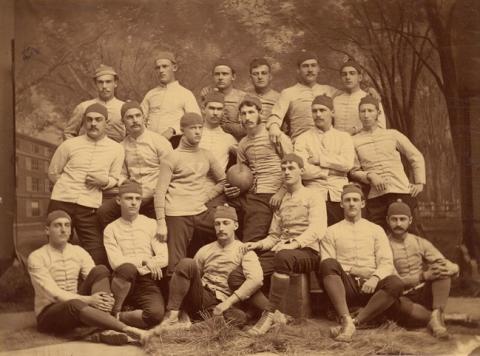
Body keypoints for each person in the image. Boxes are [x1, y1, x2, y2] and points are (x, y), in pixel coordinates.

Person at [229, 153, 327, 335]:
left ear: (302, 171)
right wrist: (257, 245)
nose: (286, 172)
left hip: (307, 252)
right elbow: (274, 236)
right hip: (282, 251)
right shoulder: (282, 201)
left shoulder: (313, 196)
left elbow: (318, 229)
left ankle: (267, 316)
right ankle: (277, 315)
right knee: (237, 276)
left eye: (291, 168)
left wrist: (294, 244)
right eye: (283, 169)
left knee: (283, 256)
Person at [27, 210, 145, 345]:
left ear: (71, 230)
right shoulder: (37, 257)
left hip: (78, 305)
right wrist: (89, 300)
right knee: (74, 304)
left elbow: (96, 277)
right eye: (57, 225)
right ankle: (127, 329)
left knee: (100, 270)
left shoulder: (78, 251)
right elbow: (55, 294)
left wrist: (103, 299)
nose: (63, 229)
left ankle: (102, 327)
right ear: (47, 230)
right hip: (49, 314)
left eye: (67, 225)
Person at [151, 204, 263, 331]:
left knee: (239, 318)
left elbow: (256, 279)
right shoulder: (205, 250)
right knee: (187, 263)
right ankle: (173, 316)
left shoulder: (244, 250)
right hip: (202, 296)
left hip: (224, 302)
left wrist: (228, 302)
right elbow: (190, 275)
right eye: (217, 224)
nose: (221, 228)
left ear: (235, 226)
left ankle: (188, 328)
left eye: (226, 223)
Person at [320, 183, 404, 342]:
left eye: (355, 200)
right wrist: (354, 270)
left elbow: (386, 261)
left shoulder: (375, 230)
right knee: (327, 264)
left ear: (362, 203)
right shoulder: (331, 231)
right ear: (341, 204)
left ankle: (353, 323)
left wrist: (375, 277)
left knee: (396, 283)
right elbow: (327, 260)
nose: (351, 203)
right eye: (347, 200)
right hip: (346, 287)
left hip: (372, 288)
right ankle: (346, 316)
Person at [48, 103, 124, 266]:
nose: (93, 123)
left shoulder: (116, 149)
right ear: (84, 122)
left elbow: (115, 178)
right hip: (61, 202)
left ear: (106, 123)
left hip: (89, 206)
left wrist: (104, 182)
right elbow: (53, 172)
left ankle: (93, 287)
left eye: (98, 120)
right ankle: (58, 287)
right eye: (89, 120)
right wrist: (67, 186)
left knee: (96, 252)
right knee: (56, 247)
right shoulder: (69, 144)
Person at [154, 112, 226, 276]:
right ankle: (175, 299)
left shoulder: (206, 155)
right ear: (182, 130)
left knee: (228, 231)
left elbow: (223, 181)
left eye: (200, 128)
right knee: (175, 265)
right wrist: (161, 223)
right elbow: (159, 192)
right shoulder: (171, 157)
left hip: (201, 211)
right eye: (193, 128)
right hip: (177, 214)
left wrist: (205, 197)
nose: (198, 132)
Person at [350, 96, 426, 231]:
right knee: (380, 235)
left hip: (400, 190)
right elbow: (354, 171)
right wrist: (369, 175)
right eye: (362, 111)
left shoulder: (392, 135)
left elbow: (415, 156)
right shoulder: (354, 141)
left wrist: (420, 183)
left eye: (370, 111)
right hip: (376, 197)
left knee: (407, 233)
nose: (366, 115)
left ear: (378, 113)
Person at [386, 200, 459, 339]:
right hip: (402, 297)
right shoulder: (383, 245)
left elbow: (444, 262)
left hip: (424, 294)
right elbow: (391, 281)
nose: (398, 224)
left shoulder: (419, 241)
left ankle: (436, 314)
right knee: (395, 303)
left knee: (440, 269)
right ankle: (435, 320)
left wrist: (454, 268)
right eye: (394, 219)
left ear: (410, 220)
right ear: (387, 221)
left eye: (402, 219)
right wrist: (423, 276)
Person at [225, 96, 292, 243]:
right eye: (243, 113)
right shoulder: (243, 143)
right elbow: (241, 173)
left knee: (252, 237)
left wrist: (281, 192)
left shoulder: (275, 136)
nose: (247, 117)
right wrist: (236, 189)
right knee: (222, 211)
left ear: (260, 113)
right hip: (252, 194)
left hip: (273, 193)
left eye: (251, 112)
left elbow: (294, 167)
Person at [97, 101, 173, 230]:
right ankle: (117, 242)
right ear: (123, 122)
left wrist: (157, 192)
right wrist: (125, 183)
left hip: (157, 197)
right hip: (133, 196)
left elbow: (171, 170)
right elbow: (120, 173)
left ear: (144, 118)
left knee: (160, 227)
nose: (135, 120)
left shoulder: (159, 141)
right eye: (129, 117)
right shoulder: (121, 147)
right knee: (104, 212)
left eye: (138, 116)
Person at [104, 180, 168, 329]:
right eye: (129, 198)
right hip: (122, 280)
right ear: (119, 200)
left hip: (146, 280)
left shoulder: (151, 224)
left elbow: (163, 258)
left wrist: (150, 264)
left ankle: (120, 317)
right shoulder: (111, 229)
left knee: (155, 315)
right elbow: (116, 262)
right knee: (127, 268)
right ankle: (116, 310)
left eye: (137, 198)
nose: (134, 203)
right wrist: (145, 260)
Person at [294, 95, 355, 225]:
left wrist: (320, 159)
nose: (318, 114)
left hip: (339, 194)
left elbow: (347, 163)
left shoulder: (344, 137)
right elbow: (302, 170)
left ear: (332, 112)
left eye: (322, 110)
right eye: (314, 111)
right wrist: (329, 171)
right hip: (313, 195)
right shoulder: (302, 139)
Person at [266, 51, 338, 142]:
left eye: (313, 65)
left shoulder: (330, 91)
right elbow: (276, 115)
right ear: (298, 70)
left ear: (318, 68)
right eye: (305, 66)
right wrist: (274, 126)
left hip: (328, 142)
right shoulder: (288, 93)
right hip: (300, 144)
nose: (310, 70)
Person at [141, 51, 201, 147]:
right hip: (150, 144)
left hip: (175, 142)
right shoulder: (150, 94)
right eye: (158, 67)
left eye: (165, 66)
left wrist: (172, 130)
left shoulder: (185, 94)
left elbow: (196, 120)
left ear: (174, 68)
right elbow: (141, 117)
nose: (161, 70)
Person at [63, 64, 125, 143]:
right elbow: (68, 133)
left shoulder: (124, 108)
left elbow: (131, 137)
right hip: (88, 152)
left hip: (115, 153)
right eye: (100, 82)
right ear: (95, 84)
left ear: (115, 83)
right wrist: (77, 151)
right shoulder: (83, 107)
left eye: (108, 82)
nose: (104, 86)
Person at [198, 91, 238, 196]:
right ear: (203, 110)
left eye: (219, 109)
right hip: (191, 185)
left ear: (223, 112)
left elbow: (245, 160)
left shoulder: (229, 139)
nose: (215, 113)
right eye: (211, 108)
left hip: (215, 189)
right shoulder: (194, 133)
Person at [333, 59, 386, 135]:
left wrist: (354, 129)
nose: (348, 77)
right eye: (344, 74)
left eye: (352, 73)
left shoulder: (371, 98)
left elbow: (381, 126)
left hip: (362, 143)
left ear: (360, 77)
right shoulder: (335, 99)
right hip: (337, 143)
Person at [201, 59, 246, 140]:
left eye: (225, 74)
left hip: (234, 142)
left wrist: (224, 123)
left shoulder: (242, 97)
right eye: (217, 74)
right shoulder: (207, 94)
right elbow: (200, 123)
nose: (220, 77)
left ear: (233, 77)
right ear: (213, 76)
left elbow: (245, 129)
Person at [245, 57, 280, 122]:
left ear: (270, 76)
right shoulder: (245, 98)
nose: (260, 77)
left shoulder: (279, 98)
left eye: (264, 73)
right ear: (250, 78)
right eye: (255, 74)